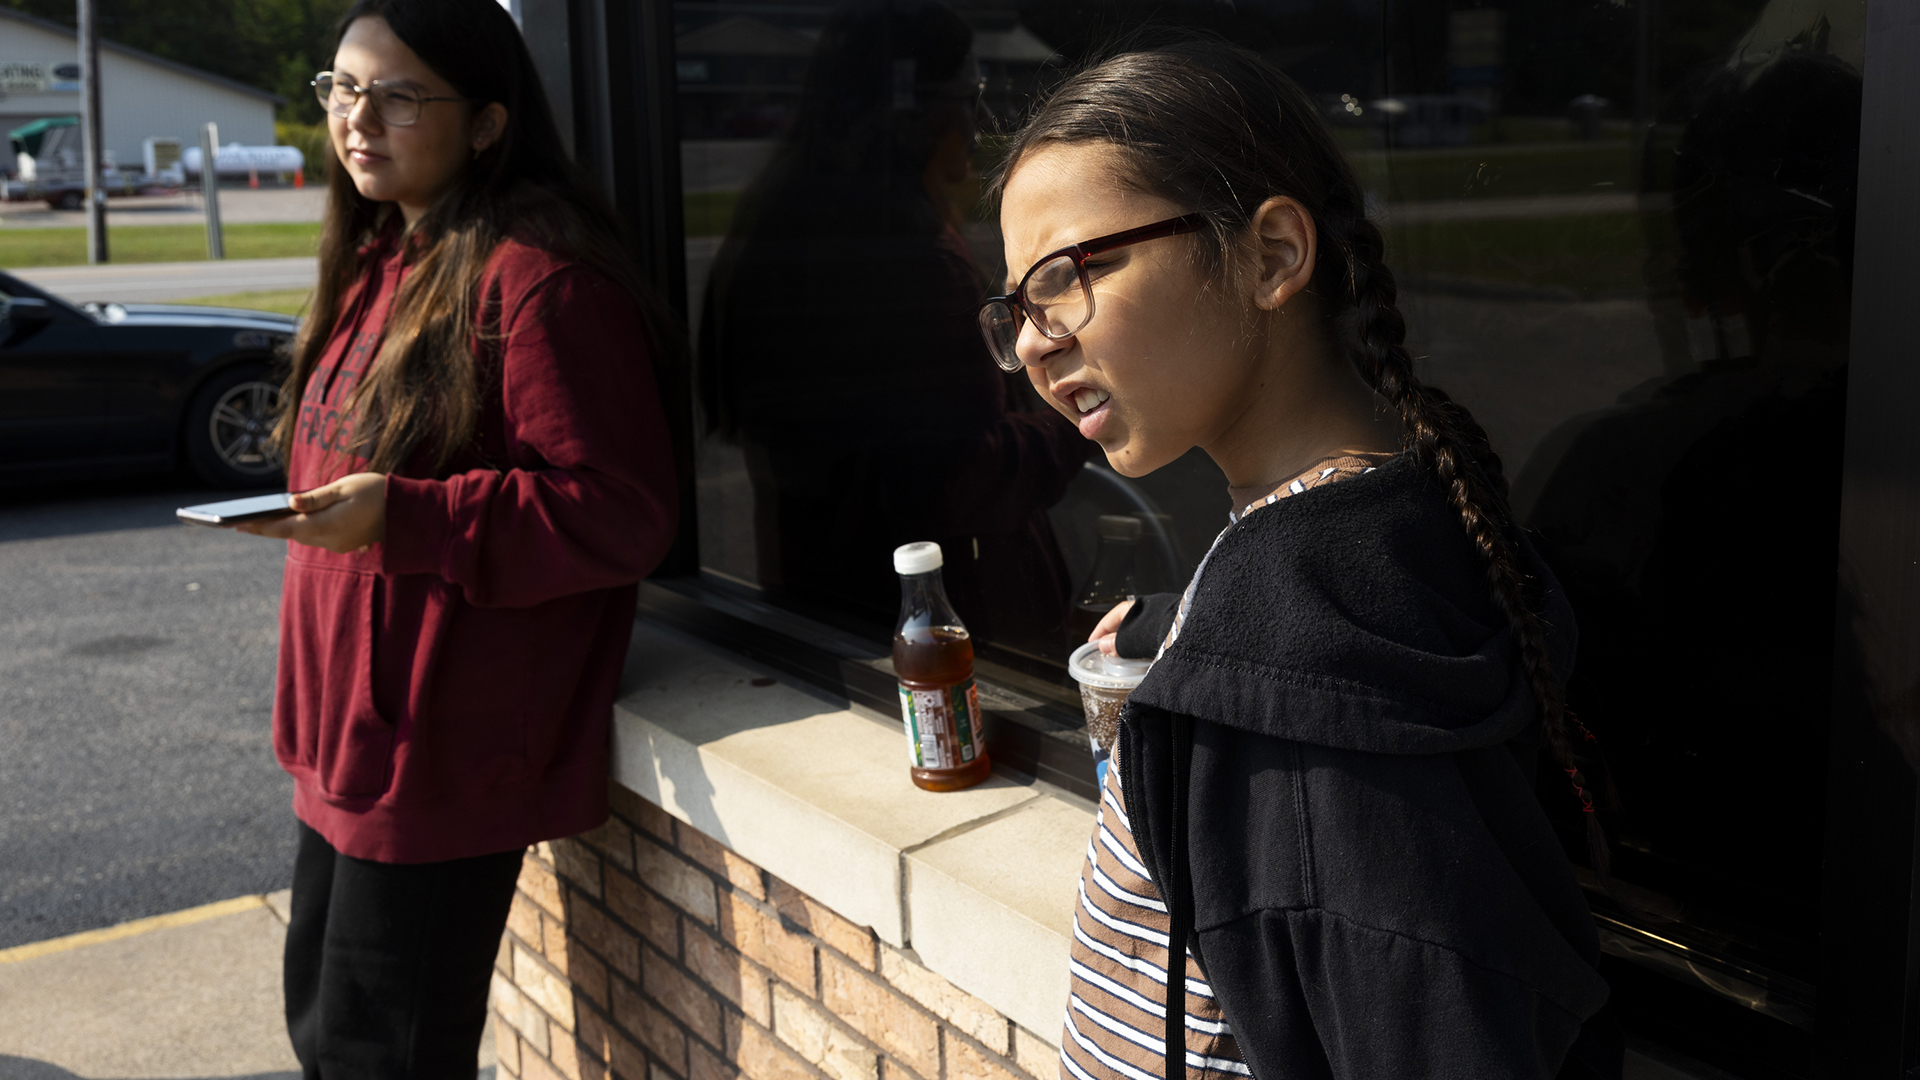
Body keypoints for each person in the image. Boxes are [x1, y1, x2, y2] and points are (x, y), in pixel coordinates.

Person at [981, 40, 1621, 1080]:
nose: (1038, 339)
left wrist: (1232, 653)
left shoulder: (1305, 678)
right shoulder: (1395, 529)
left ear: (1273, 254)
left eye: (1068, 275)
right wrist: (1188, 632)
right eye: (1015, 308)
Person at [232, 0, 680, 1074]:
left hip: (439, 753)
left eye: (395, 95)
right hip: (349, 745)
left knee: (382, 1054)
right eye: (342, 89)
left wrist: (415, 515)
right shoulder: (383, 255)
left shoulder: (539, 280)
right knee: (327, 1034)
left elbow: (621, 513)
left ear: (486, 122)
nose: (357, 119)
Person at [699, 0, 1090, 658]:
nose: (979, 119)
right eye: (969, 95)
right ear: (911, 106)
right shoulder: (904, 255)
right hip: (935, 617)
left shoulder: (789, 224)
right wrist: (1069, 418)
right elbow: (950, 477)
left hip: (822, 589)